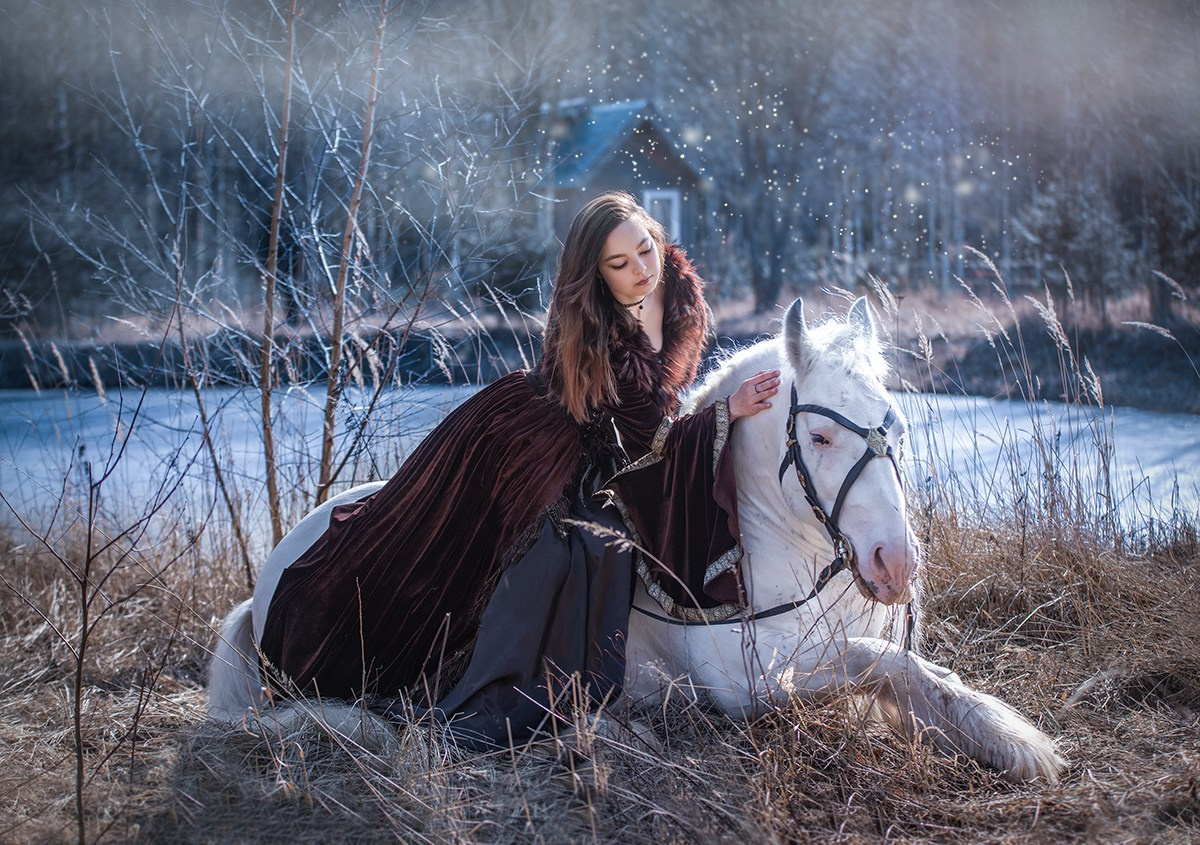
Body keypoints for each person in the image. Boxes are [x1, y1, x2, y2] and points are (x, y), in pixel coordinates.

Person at [258, 191, 781, 746]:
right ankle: (529, 693)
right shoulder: (595, 331)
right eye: (619, 265)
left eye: (645, 251)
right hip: (542, 439)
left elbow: (663, 402)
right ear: (596, 274)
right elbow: (643, 434)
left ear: (655, 235)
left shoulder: (677, 293)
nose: (641, 271)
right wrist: (724, 413)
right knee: (568, 551)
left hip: (613, 436)